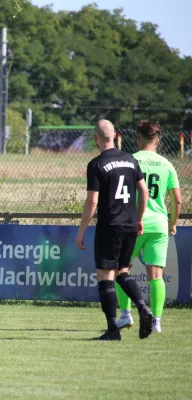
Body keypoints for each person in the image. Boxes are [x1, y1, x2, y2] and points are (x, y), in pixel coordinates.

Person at [75, 120, 153, 341]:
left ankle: (112, 330)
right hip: (129, 225)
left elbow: (92, 202)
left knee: (105, 275)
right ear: (115, 136)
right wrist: (138, 219)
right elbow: (143, 191)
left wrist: (81, 231)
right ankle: (141, 306)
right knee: (122, 272)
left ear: (96, 139)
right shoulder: (130, 159)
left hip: (110, 226)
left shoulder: (96, 164)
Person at [116, 121, 182, 333]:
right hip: (159, 225)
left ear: (138, 138)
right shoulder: (167, 164)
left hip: (135, 223)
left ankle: (126, 315)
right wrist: (172, 224)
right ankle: (157, 321)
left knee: (121, 270)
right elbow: (177, 200)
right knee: (156, 275)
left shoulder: (131, 160)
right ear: (158, 140)